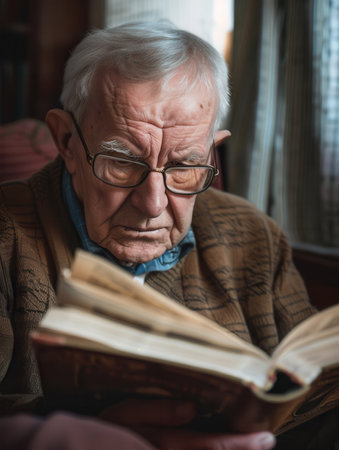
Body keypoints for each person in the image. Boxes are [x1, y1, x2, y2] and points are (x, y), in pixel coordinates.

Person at [0, 20, 320, 450]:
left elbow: (310, 387)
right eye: (122, 163)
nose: (153, 203)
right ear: (67, 142)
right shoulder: (6, 235)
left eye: (184, 167)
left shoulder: (253, 234)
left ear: (211, 151)